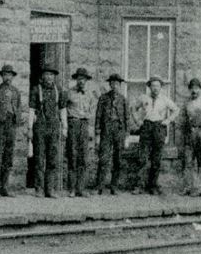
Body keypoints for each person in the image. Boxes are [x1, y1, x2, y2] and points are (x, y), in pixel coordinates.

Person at [131, 76, 179, 195]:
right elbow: (133, 108)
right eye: (153, 86)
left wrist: (168, 121)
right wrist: (138, 121)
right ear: (149, 87)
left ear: (161, 87)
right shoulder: (144, 98)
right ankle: (139, 186)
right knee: (143, 157)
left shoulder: (164, 99)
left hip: (159, 127)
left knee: (156, 158)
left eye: (157, 86)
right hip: (146, 127)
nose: (155, 88)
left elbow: (176, 110)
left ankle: (152, 185)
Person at [29, 66, 67, 198]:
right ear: (42, 76)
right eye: (47, 74)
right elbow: (32, 109)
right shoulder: (36, 89)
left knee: (52, 159)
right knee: (39, 158)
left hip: (54, 127)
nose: (49, 77)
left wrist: (65, 127)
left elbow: (62, 109)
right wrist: (30, 129)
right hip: (40, 127)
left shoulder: (59, 90)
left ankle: (50, 189)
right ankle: (39, 189)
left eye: (52, 75)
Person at [0, 64, 21, 197]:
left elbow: (18, 107)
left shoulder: (16, 92)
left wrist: (17, 119)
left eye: (10, 75)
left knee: (8, 157)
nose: (8, 77)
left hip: (11, 125)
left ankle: (4, 186)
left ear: (12, 77)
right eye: (5, 75)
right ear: (2, 76)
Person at [65, 68, 97, 197]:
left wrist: (90, 129)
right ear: (76, 79)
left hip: (84, 124)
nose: (81, 81)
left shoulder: (90, 94)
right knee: (72, 155)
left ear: (86, 80)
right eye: (79, 78)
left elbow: (92, 111)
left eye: (83, 79)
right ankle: (72, 189)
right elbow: (63, 108)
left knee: (83, 157)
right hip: (73, 123)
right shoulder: (69, 93)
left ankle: (81, 188)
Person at [94, 73, 128, 195]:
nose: (115, 86)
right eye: (112, 83)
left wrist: (127, 136)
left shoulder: (123, 99)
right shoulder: (103, 98)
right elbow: (98, 116)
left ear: (120, 85)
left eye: (117, 84)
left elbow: (126, 118)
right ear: (110, 84)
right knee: (103, 159)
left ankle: (114, 186)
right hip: (106, 131)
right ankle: (100, 186)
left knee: (118, 159)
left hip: (118, 131)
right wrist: (97, 133)